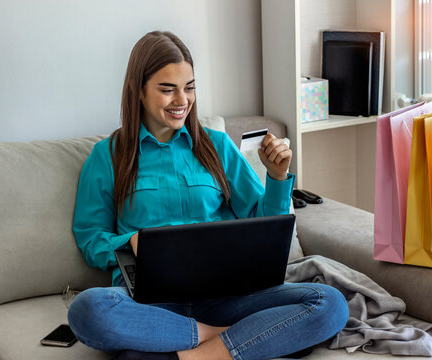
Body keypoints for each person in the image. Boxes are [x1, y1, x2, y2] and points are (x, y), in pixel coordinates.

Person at [68, 31, 348, 360]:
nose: (182, 101)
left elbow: (266, 227)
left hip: (228, 296)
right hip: (151, 303)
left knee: (328, 303)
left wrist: (276, 176)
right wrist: (128, 242)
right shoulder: (108, 156)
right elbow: (90, 239)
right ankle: (233, 338)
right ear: (138, 91)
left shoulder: (216, 146)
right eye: (167, 89)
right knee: (87, 309)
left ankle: (197, 353)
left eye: (189, 87)